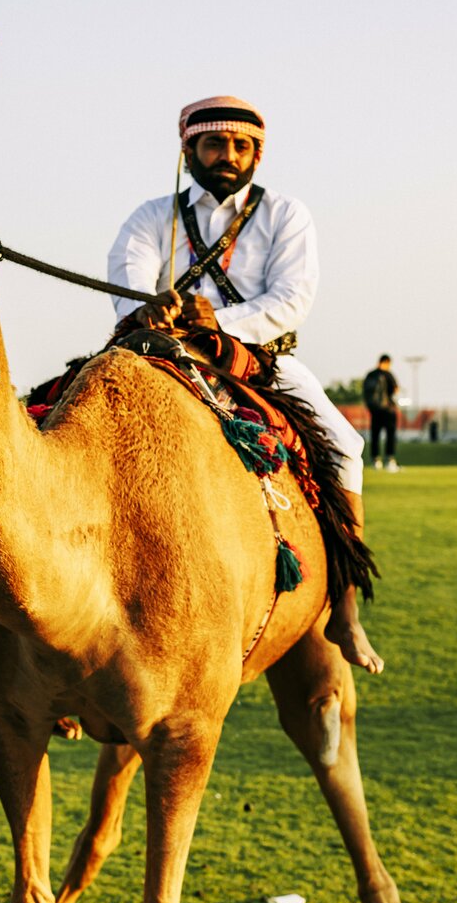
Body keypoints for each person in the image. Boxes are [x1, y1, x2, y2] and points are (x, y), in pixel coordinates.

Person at [107, 96, 383, 674]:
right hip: (166, 354)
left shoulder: (286, 213)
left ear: (257, 153)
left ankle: (346, 608)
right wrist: (145, 304)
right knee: (60, 414)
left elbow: (292, 299)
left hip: (261, 359)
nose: (228, 155)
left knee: (348, 448)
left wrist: (219, 322)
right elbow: (129, 269)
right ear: (189, 150)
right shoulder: (151, 216)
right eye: (214, 144)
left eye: (241, 146)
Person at [363, 354, 399, 471]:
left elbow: (365, 392)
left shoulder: (370, 375)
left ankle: (376, 461)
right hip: (388, 410)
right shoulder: (388, 374)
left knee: (375, 435)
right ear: (387, 363)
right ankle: (390, 460)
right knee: (390, 435)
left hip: (375, 410)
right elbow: (395, 389)